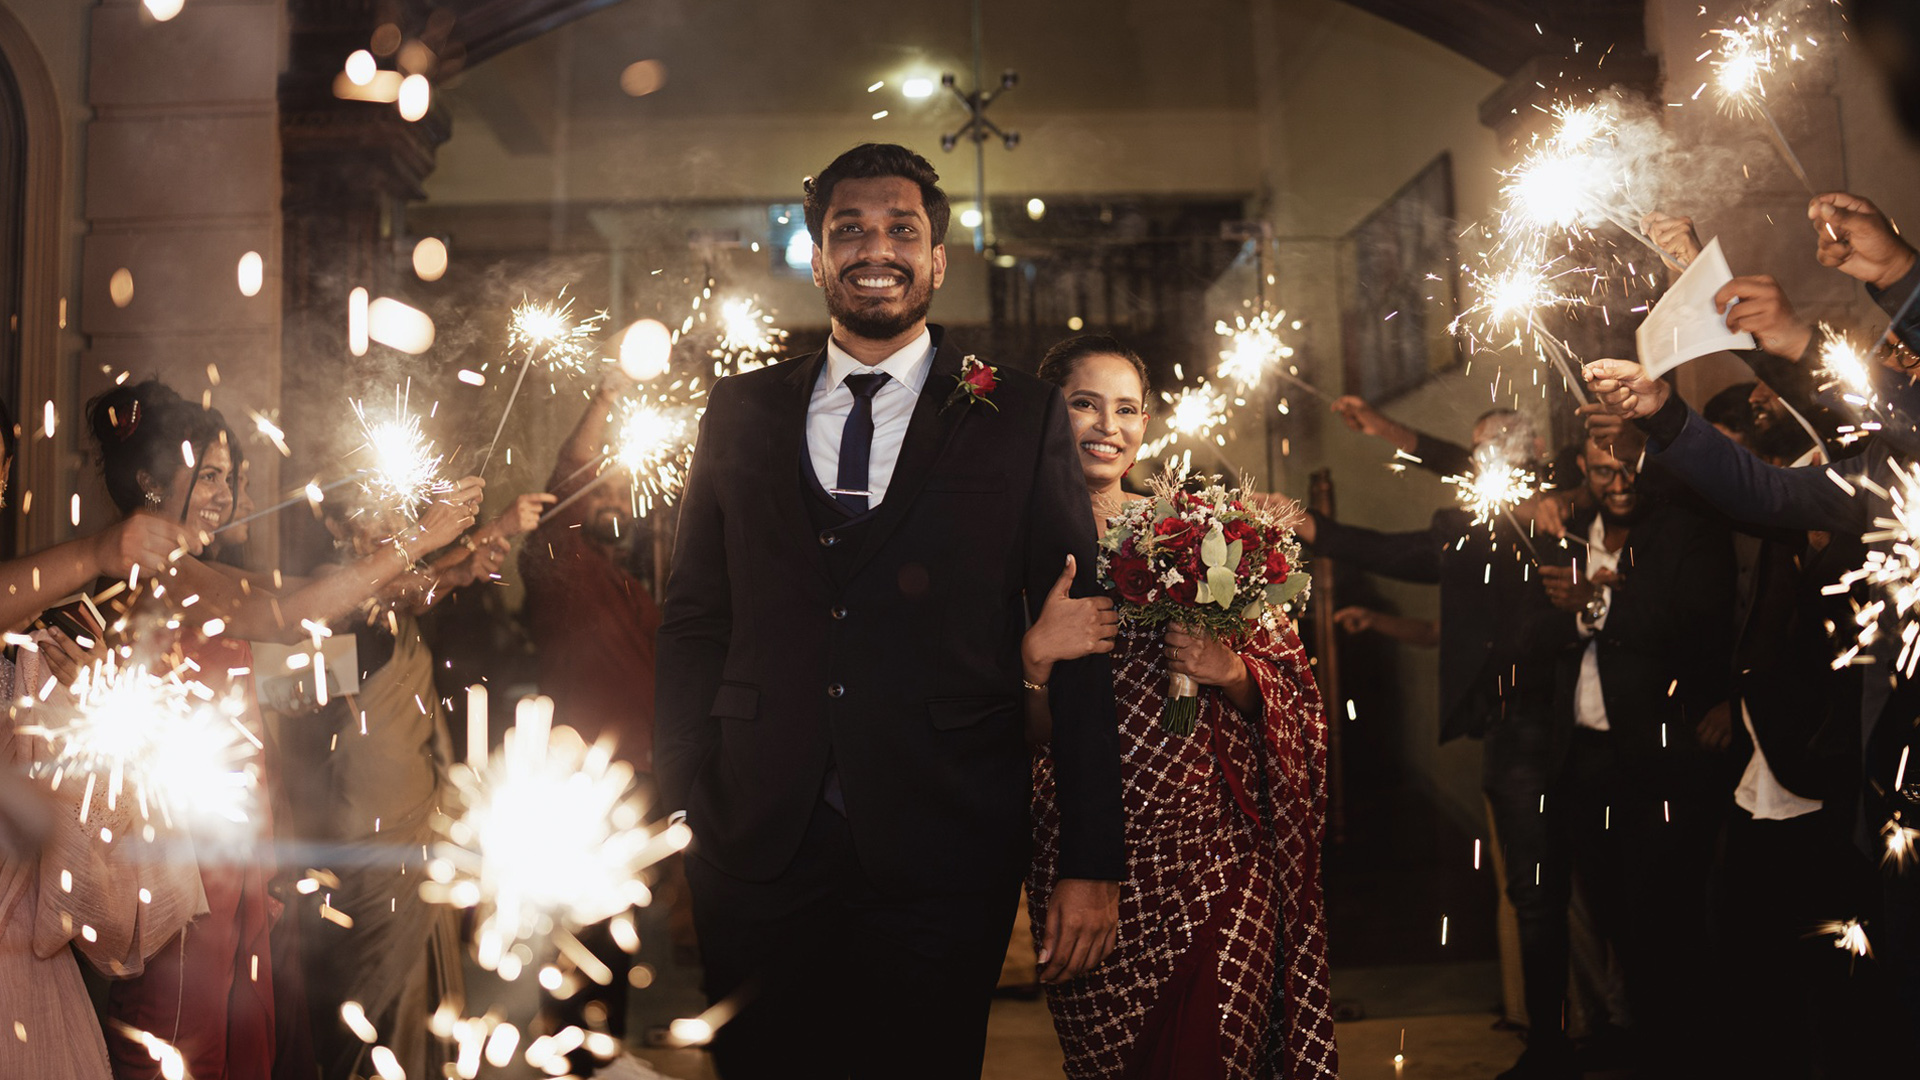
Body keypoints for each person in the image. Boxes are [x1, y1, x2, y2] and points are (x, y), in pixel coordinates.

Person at [654, 143, 1124, 1079]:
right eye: (850, 230)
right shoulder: (738, 411)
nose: (878, 248)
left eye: (902, 229)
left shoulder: (1022, 417)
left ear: (938, 259)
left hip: (946, 840)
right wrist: (675, 811)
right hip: (753, 840)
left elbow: (1084, 640)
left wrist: (1091, 859)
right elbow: (695, 622)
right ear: (819, 257)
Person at [80, 379, 477, 1080]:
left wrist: (451, 561)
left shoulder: (202, 572)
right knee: (187, 1040)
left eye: (230, 478)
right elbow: (286, 617)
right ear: (147, 479)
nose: (223, 496)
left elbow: (322, 597)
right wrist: (422, 537)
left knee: (246, 1037)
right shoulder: (160, 578)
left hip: (239, 850)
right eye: (205, 476)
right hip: (182, 862)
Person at [1020, 334, 1336, 1079]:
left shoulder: (1197, 531)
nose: (1108, 425)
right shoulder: (1009, 545)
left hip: (1216, 856)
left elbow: (1296, 694)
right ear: (1046, 417)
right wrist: (1034, 660)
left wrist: (1230, 672)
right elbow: (1007, 739)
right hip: (1083, 861)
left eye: (1127, 408)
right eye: (1084, 404)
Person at [1295, 409, 1577, 1078]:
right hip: (1518, 730)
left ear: (1537, 445)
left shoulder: (1575, 496)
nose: (1488, 460)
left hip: (1596, 721)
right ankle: (1552, 1048)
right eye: (1480, 450)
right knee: (1535, 894)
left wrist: (1396, 434)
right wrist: (1314, 529)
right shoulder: (1469, 527)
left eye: (1502, 445)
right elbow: (1395, 553)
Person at [0, 397, 209, 1080]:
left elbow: (74, 856)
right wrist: (97, 549)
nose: (224, 493)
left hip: (27, 991)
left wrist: (92, 719)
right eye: (210, 474)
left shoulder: (35, 639)